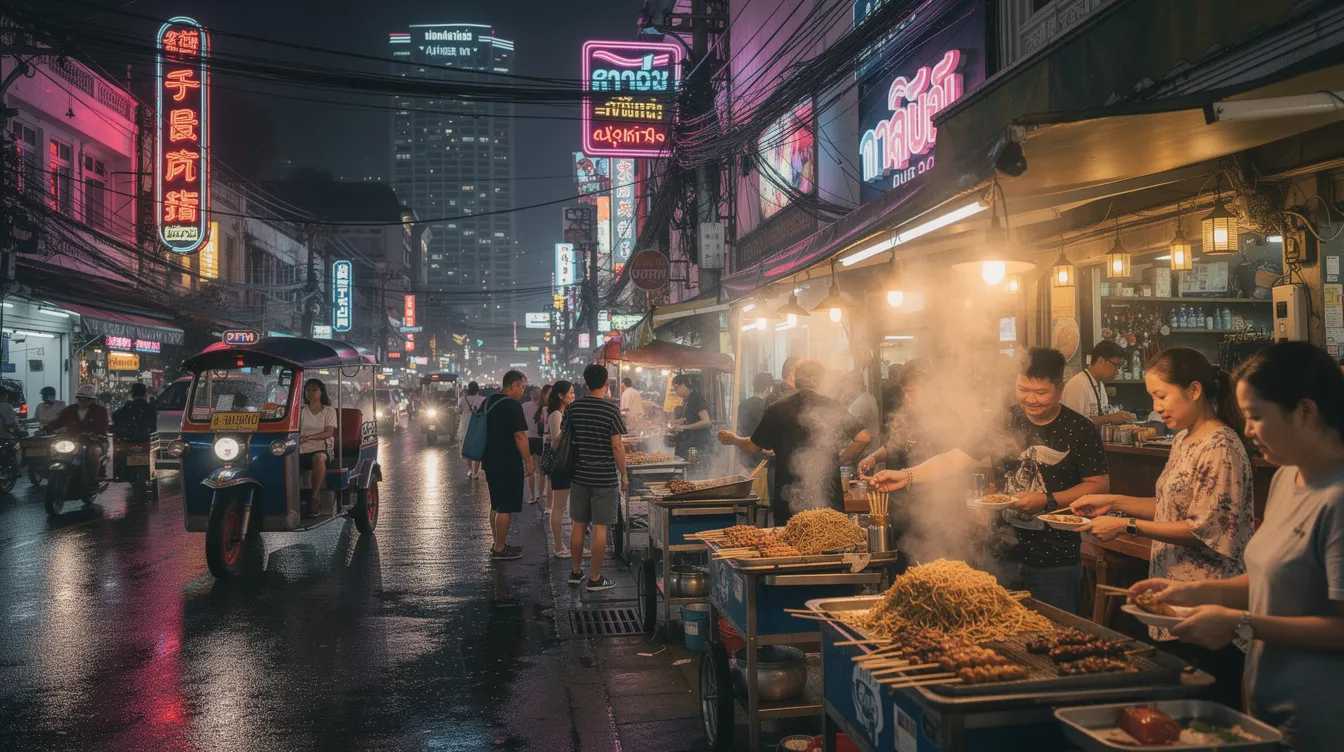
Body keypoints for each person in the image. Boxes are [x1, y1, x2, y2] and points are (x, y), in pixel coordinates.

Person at [1132, 342, 1344, 749]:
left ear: (1305, 411)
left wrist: (1240, 623)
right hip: (1269, 701)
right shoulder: (1286, 479)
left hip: (1323, 714)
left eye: (1257, 417)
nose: (1246, 430)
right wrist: (1191, 592)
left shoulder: (1336, 499)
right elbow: (1265, 580)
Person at [1071, 347, 1253, 707]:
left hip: (1207, 607)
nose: (1157, 406)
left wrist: (1127, 528)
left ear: (1195, 390)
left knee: (1206, 716)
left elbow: (1204, 529)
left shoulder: (1220, 446)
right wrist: (1114, 502)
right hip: (1173, 599)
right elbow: (1170, 509)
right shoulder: (1185, 439)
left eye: (1161, 395)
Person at [871, 348, 1109, 615]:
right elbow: (956, 458)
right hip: (1000, 556)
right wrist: (906, 476)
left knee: (1056, 642)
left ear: (1060, 389)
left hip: (1055, 561)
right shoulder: (1003, 420)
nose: (1030, 399)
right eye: (1023, 389)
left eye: (1041, 393)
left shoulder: (1080, 429)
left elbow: (1098, 485)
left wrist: (1047, 500)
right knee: (997, 639)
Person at [718, 359, 871, 525]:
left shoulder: (778, 409)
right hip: (829, 497)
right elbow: (863, 437)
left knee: (790, 546)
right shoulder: (832, 407)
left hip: (789, 499)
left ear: (794, 379)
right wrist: (838, 460)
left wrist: (734, 439)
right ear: (821, 380)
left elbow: (753, 446)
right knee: (830, 542)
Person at [562, 364, 627, 591]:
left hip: (579, 475)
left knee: (578, 524)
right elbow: (617, 447)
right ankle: (595, 578)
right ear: (606, 383)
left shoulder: (573, 408)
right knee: (600, 527)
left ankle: (575, 571)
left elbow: (565, 438)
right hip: (605, 478)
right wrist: (625, 474)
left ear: (585, 382)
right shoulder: (611, 410)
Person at [482, 370, 531, 561]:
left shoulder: (488, 401)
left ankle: (497, 544)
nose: (522, 391)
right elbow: (520, 435)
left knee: (496, 503)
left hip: (490, 459)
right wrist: (528, 461)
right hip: (508, 461)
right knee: (505, 507)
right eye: (522, 387)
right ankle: (500, 548)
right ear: (514, 386)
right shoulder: (512, 405)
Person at [1060, 341, 1136, 425]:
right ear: (1101, 361)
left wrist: (1118, 416)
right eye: (1116, 365)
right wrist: (1110, 418)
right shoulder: (1078, 385)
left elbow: (1101, 415)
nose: (1118, 371)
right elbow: (1074, 422)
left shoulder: (1099, 383)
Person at [48, 384, 111, 484]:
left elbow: (103, 426)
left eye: (85, 399)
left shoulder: (100, 411)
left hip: (94, 441)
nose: (82, 401)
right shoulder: (70, 409)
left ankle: (94, 480)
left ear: (92, 400)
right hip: (73, 440)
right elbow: (59, 421)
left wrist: (94, 433)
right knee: (56, 448)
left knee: (92, 451)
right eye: (80, 398)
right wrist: (47, 428)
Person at [297, 379, 337, 517]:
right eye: (308, 390)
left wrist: (308, 438)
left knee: (319, 458)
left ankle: (314, 497)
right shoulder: (301, 411)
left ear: (321, 392)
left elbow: (329, 433)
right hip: (301, 448)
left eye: (314, 390)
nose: (310, 393)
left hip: (322, 448)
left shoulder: (329, 411)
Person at [545, 380, 576, 558]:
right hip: (561, 465)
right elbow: (556, 443)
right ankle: (558, 546)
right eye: (570, 393)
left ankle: (573, 545)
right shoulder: (556, 415)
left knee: (572, 508)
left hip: (568, 464)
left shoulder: (565, 412)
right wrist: (567, 429)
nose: (573, 396)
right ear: (560, 395)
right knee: (558, 507)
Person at [669, 373, 713, 467]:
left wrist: (684, 427)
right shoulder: (688, 399)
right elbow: (693, 417)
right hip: (692, 442)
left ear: (683, 385)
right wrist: (682, 420)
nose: (674, 390)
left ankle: (693, 479)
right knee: (686, 464)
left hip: (697, 445)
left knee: (693, 466)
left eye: (676, 387)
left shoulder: (695, 398)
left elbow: (706, 421)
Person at [735, 373, 773, 470]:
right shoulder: (765, 407)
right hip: (761, 458)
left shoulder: (742, 405)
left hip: (744, 457)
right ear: (767, 388)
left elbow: (739, 431)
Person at [844, 371, 881, 458]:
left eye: (846, 385)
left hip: (863, 455)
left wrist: (842, 458)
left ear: (856, 385)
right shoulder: (869, 398)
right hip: (870, 452)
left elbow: (854, 434)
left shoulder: (860, 404)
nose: (844, 390)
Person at [521, 386, 545, 504]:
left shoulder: (524, 406)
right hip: (540, 440)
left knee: (529, 469)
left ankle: (532, 496)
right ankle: (540, 495)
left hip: (527, 440)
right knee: (540, 470)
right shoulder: (545, 408)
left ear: (530, 395)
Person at [459, 381, 486, 479]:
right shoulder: (483, 399)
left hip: (465, 426)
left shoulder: (462, 399)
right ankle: (475, 473)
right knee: (477, 448)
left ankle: (470, 470)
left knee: (467, 449)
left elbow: (459, 411)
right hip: (478, 426)